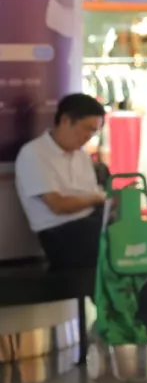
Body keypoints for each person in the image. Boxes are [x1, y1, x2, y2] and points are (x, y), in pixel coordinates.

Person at [14, 93, 107, 270]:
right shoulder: (34, 153)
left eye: (94, 131)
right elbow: (58, 205)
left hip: (90, 222)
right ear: (65, 120)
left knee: (140, 232)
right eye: (86, 128)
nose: (89, 136)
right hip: (60, 232)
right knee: (116, 239)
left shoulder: (81, 156)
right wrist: (98, 198)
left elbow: (92, 195)